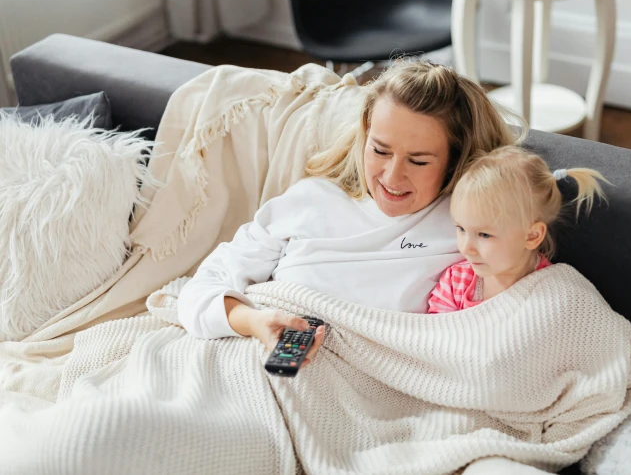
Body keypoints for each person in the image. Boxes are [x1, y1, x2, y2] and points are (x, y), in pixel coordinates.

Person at [177, 60, 520, 367]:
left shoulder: (468, 229)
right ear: (365, 134)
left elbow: (516, 310)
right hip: (251, 360)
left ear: (456, 160)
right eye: (380, 150)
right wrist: (253, 322)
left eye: (418, 161)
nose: (391, 177)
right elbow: (201, 290)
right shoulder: (311, 200)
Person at [428, 145, 607, 313]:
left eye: (484, 234)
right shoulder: (456, 281)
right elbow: (431, 336)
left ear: (532, 236)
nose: (466, 248)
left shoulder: (554, 293)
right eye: (461, 229)